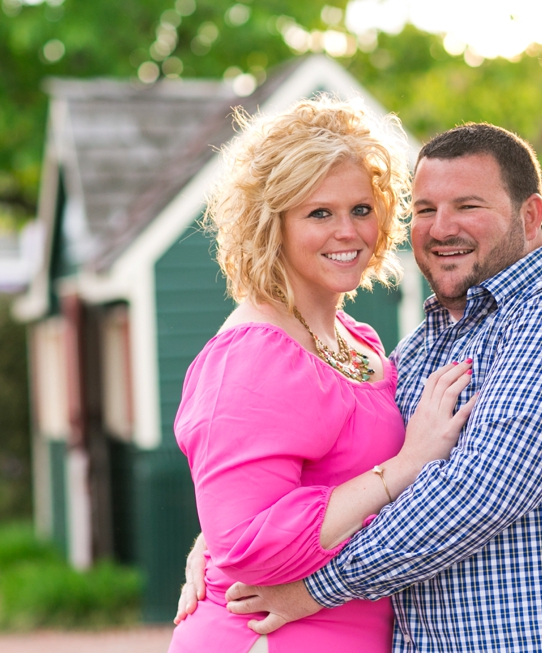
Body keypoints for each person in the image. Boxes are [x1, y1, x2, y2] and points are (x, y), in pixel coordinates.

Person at [179, 123, 542, 652]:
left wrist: (310, 588)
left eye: (468, 206)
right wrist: (222, 543)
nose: (442, 228)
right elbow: (341, 476)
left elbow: (476, 494)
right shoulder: (421, 348)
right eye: (424, 210)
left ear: (530, 216)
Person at [167, 97, 477, 653]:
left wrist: (207, 542)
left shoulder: (358, 339)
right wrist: (409, 463)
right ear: (272, 225)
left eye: (362, 209)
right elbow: (243, 544)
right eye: (319, 213)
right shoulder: (254, 354)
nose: (348, 232)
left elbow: (286, 498)